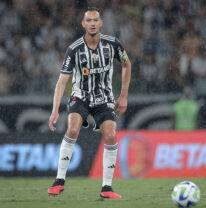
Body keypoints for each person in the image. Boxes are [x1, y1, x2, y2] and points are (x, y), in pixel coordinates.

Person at [47, 7, 131, 199]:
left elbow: (127, 64)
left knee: (110, 134)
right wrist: (54, 111)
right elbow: (62, 82)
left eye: (96, 20)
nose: (92, 23)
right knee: (73, 129)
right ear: (83, 24)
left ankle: (107, 188)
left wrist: (124, 95)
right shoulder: (74, 49)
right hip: (81, 97)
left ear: (101, 23)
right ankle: (59, 180)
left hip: (104, 98)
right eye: (89, 21)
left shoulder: (113, 44)